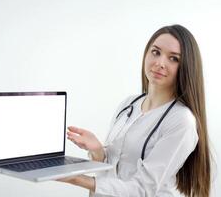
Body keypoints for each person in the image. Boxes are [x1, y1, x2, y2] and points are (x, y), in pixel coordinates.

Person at [57, 24, 211, 197]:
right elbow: (115, 165)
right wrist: (98, 150)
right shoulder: (129, 104)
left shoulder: (181, 121)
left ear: (186, 67)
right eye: (156, 52)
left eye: (173, 58)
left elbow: (142, 188)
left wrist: (75, 178)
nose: (160, 63)